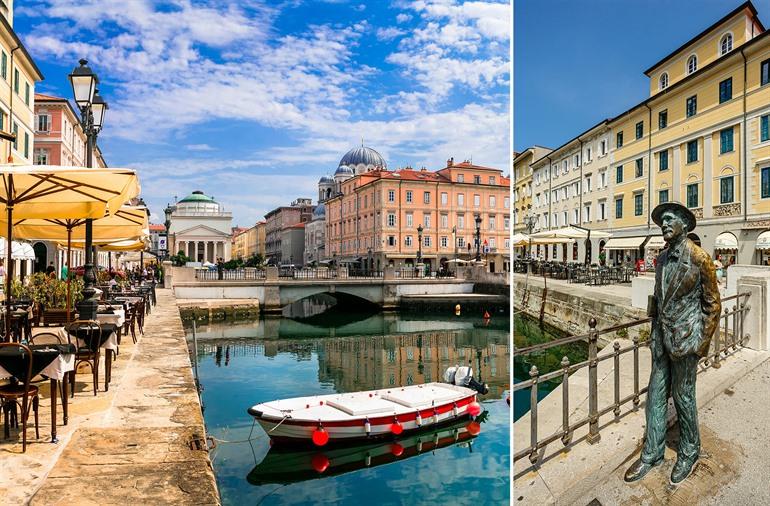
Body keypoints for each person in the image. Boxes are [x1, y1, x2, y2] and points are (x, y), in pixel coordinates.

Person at [624, 202, 720, 486]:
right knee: (655, 395)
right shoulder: (662, 259)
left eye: (669, 220)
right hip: (662, 339)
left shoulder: (700, 258)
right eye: (661, 221)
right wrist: (654, 332)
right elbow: (658, 297)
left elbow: (712, 305)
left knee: (684, 396)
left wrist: (700, 343)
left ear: (684, 224)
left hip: (687, 339)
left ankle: (689, 451)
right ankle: (652, 453)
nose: (663, 225)